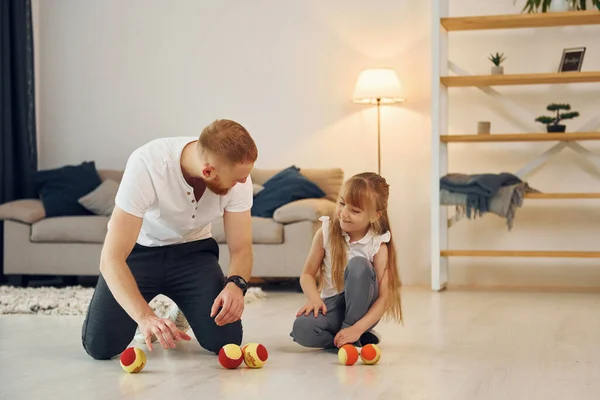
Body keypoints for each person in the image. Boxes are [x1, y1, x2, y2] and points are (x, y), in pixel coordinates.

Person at [81, 119, 257, 360]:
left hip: (194, 255)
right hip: (140, 253)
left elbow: (241, 250)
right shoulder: (146, 164)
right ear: (208, 171)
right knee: (100, 347)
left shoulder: (240, 178)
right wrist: (145, 317)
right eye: (237, 179)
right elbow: (111, 259)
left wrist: (236, 284)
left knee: (225, 340)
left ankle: (186, 308)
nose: (243, 183)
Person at [290, 172, 402, 349]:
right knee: (301, 329)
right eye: (342, 203)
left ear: (375, 216)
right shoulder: (325, 232)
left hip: (362, 312)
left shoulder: (377, 245)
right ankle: (347, 340)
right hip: (332, 307)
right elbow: (307, 275)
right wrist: (313, 299)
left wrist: (357, 328)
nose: (344, 213)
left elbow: (384, 299)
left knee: (358, 264)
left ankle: (352, 333)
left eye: (355, 211)